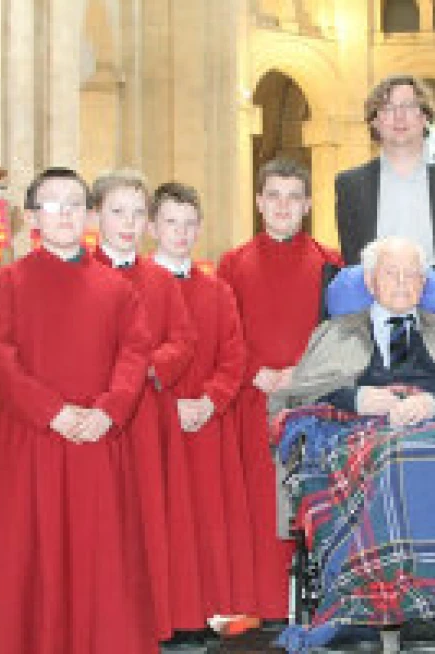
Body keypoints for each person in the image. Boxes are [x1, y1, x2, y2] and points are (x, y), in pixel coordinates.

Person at [269, 236, 435, 652]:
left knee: (433, 453)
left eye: (413, 275)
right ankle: (356, 610)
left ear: (425, 284)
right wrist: (357, 398)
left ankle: (433, 609)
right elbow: (302, 394)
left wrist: (433, 402)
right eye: (391, 272)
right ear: (370, 281)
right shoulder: (334, 333)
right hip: (356, 430)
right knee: (388, 455)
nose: (403, 283)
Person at [0, 167, 155, 653]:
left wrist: (109, 411)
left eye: (74, 204)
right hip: (30, 442)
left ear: (90, 215)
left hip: (98, 442)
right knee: (29, 557)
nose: (64, 214)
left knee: (100, 561)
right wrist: (51, 411)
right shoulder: (7, 283)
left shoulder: (117, 289)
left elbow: (134, 355)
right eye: (52, 205)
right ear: (33, 216)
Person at [217, 158, 343, 622]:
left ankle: (321, 602)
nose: (283, 206)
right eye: (274, 196)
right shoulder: (233, 263)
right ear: (258, 202)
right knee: (260, 499)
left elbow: (341, 332)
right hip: (254, 396)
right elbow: (223, 330)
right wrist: (255, 370)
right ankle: (266, 604)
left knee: (315, 497)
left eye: (293, 197)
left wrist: (303, 372)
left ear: (307, 205)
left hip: (313, 396)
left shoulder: (330, 262)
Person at [149, 182, 261, 642]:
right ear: (152, 226)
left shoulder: (216, 291)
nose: (180, 233)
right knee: (162, 522)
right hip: (154, 424)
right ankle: (160, 615)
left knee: (204, 521)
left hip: (204, 421)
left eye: (189, 224)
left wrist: (209, 400)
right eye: (170, 222)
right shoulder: (134, 285)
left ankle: (200, 615)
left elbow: (234, 357)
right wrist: (167, 405)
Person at [90, 169, 196, 644]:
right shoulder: (82, 273)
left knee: (150, 515)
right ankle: (101, 616)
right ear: (97, 216)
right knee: (102, 517)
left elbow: (183, 339)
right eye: (118, 212)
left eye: (137, 213)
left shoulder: (160, 279)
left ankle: (153, 619)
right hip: (98, 413)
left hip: (147, 414)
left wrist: (149, 368)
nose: (128, 224)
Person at [335, 74, 435, 293]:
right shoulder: (350, 185)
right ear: (375, 121)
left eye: (408, 106)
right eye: (387, 109)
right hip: (376, 306)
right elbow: (353, 260)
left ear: (424, 116)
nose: (399, 117)